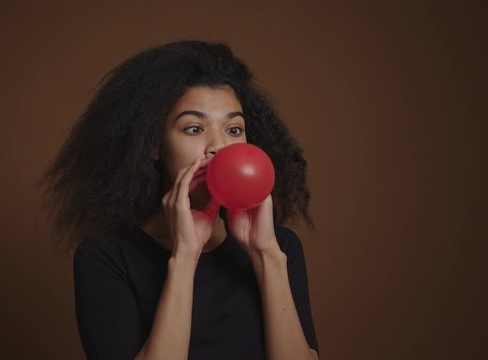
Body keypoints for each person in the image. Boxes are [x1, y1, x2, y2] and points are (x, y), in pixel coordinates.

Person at [41, 40, 320, 360]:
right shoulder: (106, 257)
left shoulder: (279, 247)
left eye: (233, 129)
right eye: (194, 128)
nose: (218, 147)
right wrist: (185, 257)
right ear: (153, 146)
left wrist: (266, 256)